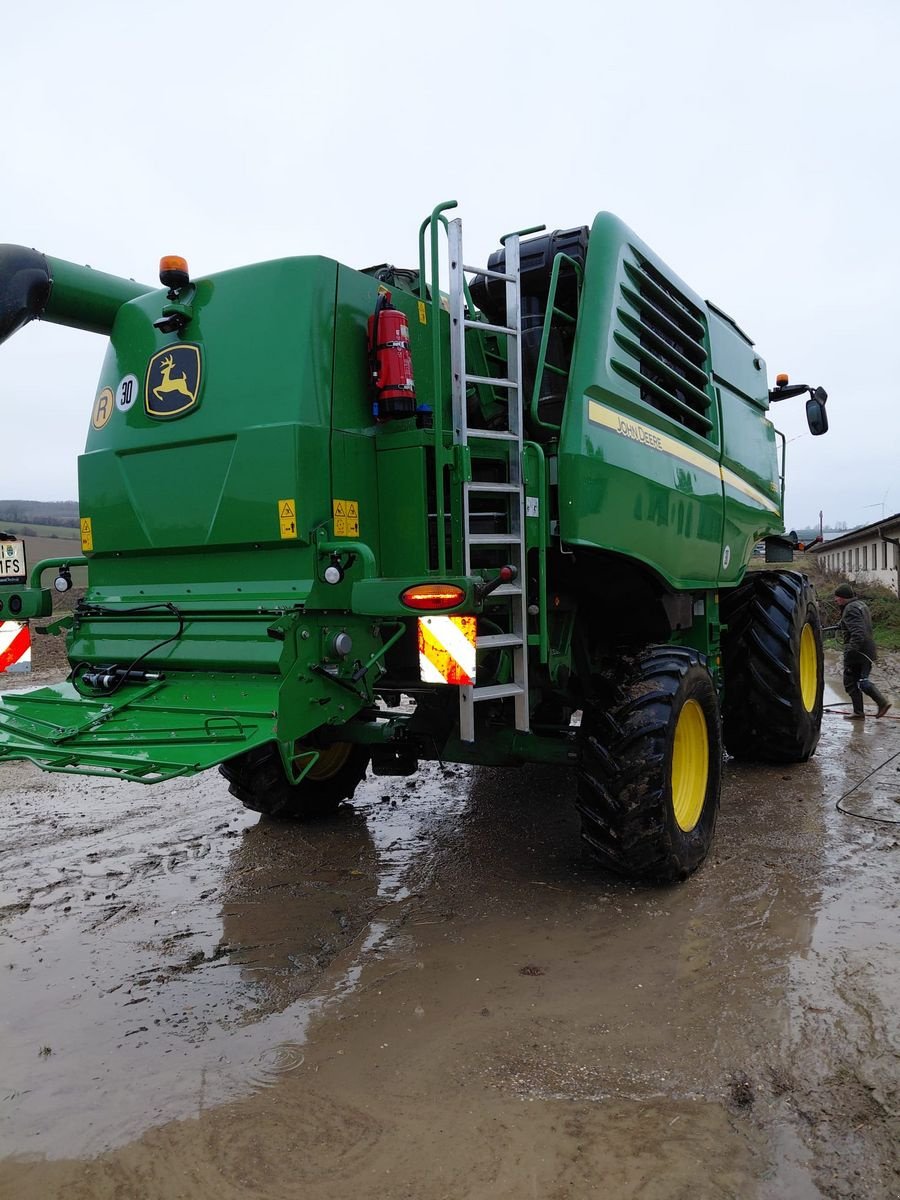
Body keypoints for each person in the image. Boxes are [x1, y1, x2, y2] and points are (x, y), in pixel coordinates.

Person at [831, 583, 891, 720]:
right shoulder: (860, 605)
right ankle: (880, 703)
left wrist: (850, 652)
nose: (835, 600)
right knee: (862, 679)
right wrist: (840, 625)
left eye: (837, 597)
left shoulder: (849, 609)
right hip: (868, 650)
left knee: (851, 682)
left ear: (844, 598)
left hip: (858, 652)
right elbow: (858, 623)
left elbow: (858, 633)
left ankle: (863, 711)